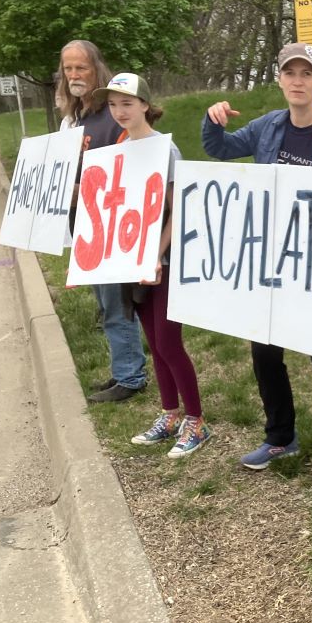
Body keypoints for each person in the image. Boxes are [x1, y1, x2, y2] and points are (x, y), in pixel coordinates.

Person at [201, 43, 312, 477]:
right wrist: (212, 121)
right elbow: (221, 150)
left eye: (307, 74)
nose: (298, 81)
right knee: (264, 351)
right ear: (280, 79)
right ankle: (280, 436)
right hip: (270, 258)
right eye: (290, 73)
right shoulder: (268, 127)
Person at [92, 73, 214, 457]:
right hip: (132, 260)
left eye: (127, 103)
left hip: (164, 261)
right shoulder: (119, 147)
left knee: (168, 341)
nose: (120, 111)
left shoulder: (165, 150)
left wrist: (156, 255)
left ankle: (196, 421)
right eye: (113, 105)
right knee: (153, 343)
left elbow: (179, 211)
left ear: (145, 104)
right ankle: (170, 414)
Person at [57, 40, 147, 403]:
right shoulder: (75, 116)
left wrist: (86, 189)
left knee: (116, 304)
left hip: (112, 227)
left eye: (81, 68)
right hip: (85, 226)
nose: (75, 75)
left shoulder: (113, 114)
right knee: (105, 304)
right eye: (68, 69)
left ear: (97, 69)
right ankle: (123, 370)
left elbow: (133, 170)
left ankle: (131, 376)